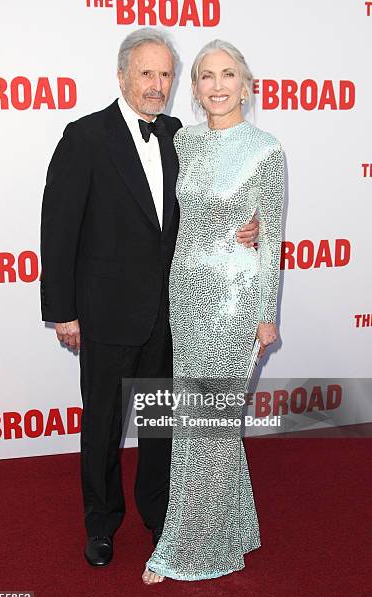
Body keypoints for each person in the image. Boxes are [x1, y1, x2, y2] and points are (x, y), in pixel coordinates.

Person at [40, 29, 259, 569]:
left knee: (163, 425)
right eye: (147, 73)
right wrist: (62, 310)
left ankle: (159, 512)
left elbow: (204, 207)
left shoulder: (177, 135)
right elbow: (58, 228)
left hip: (171, 314)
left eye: (166, 75)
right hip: (107, 313)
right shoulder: (85, 137)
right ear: (121, 76)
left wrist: (245, 226)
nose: (157, 84)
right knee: (103, 424)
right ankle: (101, 523)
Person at [143, 40, 285, 584]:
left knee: (207, 424)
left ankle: (192, 546)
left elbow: (269, 238)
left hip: (233, 299)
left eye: (228, 74)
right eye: (206, 76)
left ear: (246, 85)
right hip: (186, 293)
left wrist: (266, 314)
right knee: (206, 421)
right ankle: (236, 526)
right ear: (195, 89)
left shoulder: (266, 148)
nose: (218, 85)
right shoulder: (186, 141)